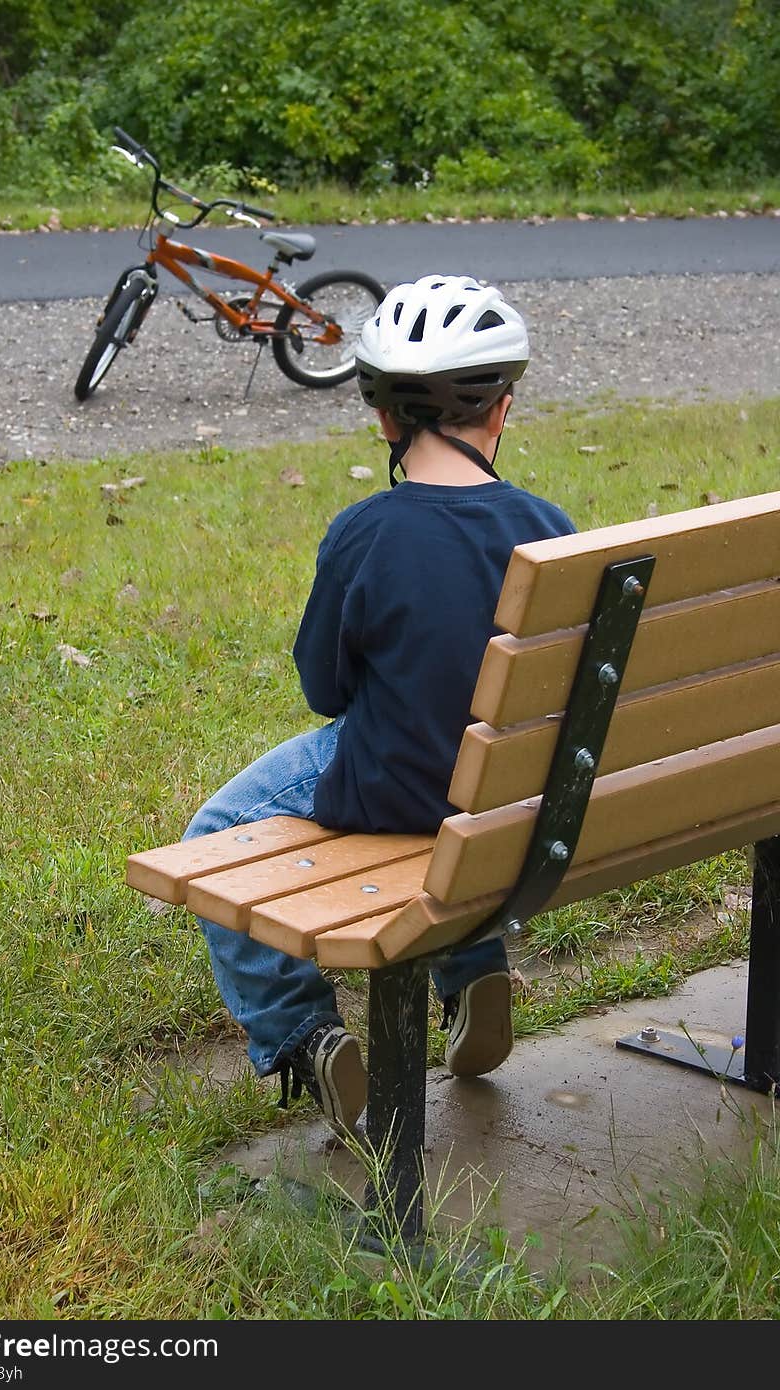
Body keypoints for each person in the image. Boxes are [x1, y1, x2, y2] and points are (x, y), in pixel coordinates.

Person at [182, 274, 576, 1135]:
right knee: (456, 788)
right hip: (516, 801)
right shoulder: (551, 527)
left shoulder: (364, 530)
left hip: (391, 788)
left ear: (385, 419)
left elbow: (324, 691)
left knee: (213, 833)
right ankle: (473, 971)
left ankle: (304, 1034)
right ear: (500, 410)